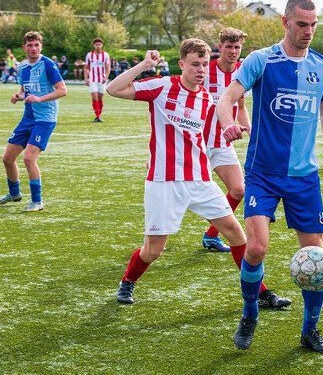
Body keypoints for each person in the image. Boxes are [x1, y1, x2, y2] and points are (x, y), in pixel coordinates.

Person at [218, 0, 323, 354]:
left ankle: (310, 331)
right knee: (256, 247)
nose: (309, 31)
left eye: (314, 24)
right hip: (263, 172)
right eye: (302, 24)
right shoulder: (262, 60)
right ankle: (249, 314)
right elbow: (225, 99)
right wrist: (228, 125)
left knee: (316, 259)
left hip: (304, 177)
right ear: (286, 23)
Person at [107, 39, 256, 306]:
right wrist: (145, 65)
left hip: (200, 179)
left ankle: (259, 293)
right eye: (195, 64)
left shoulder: (207, 98)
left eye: (203, 65)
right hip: (164, 182)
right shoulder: (162, 86)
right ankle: (127, 282)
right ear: (182, 64)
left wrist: (233, 127)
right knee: (154, 250)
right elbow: (113, 89)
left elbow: (224, 117)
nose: (201, 70)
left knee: (236, 234)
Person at [199, 27, 292, 308]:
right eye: (228, 47)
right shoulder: (204, 69)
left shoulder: (242, 71)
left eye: (237, 47)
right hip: (199, 145)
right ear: (220, 47)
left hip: (222, 144)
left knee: (239, 189)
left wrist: (252, 130)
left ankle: (210, 236)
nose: (233, 51)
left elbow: (240, 107)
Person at [0, 31, 67, 212]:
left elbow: (62, 90)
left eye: (36, 45)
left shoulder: (48, 64)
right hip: (28, 118)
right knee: (8, 158)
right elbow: (25, 92)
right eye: (30, 45)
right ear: (24, 47)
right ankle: (14, 194)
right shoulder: (24, 67)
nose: (33, 48)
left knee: (28, 158)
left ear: (41, 46)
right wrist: (17, 96)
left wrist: (40, 99)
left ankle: (37, 201)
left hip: (45, 119)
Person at [84, 38, 110, 122]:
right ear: (94, 45)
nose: (98, 46)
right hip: (92, 79)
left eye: (99, 44)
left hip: (102, 79)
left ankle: (99, 115)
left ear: (102, 45)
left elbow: (107, 67)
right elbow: (87, 67)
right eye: (96, 44)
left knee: (100, 97)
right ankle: (97, 116)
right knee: (94, 96)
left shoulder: (105, 55)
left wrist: (106, 77)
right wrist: (86, 78)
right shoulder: (89, 55)